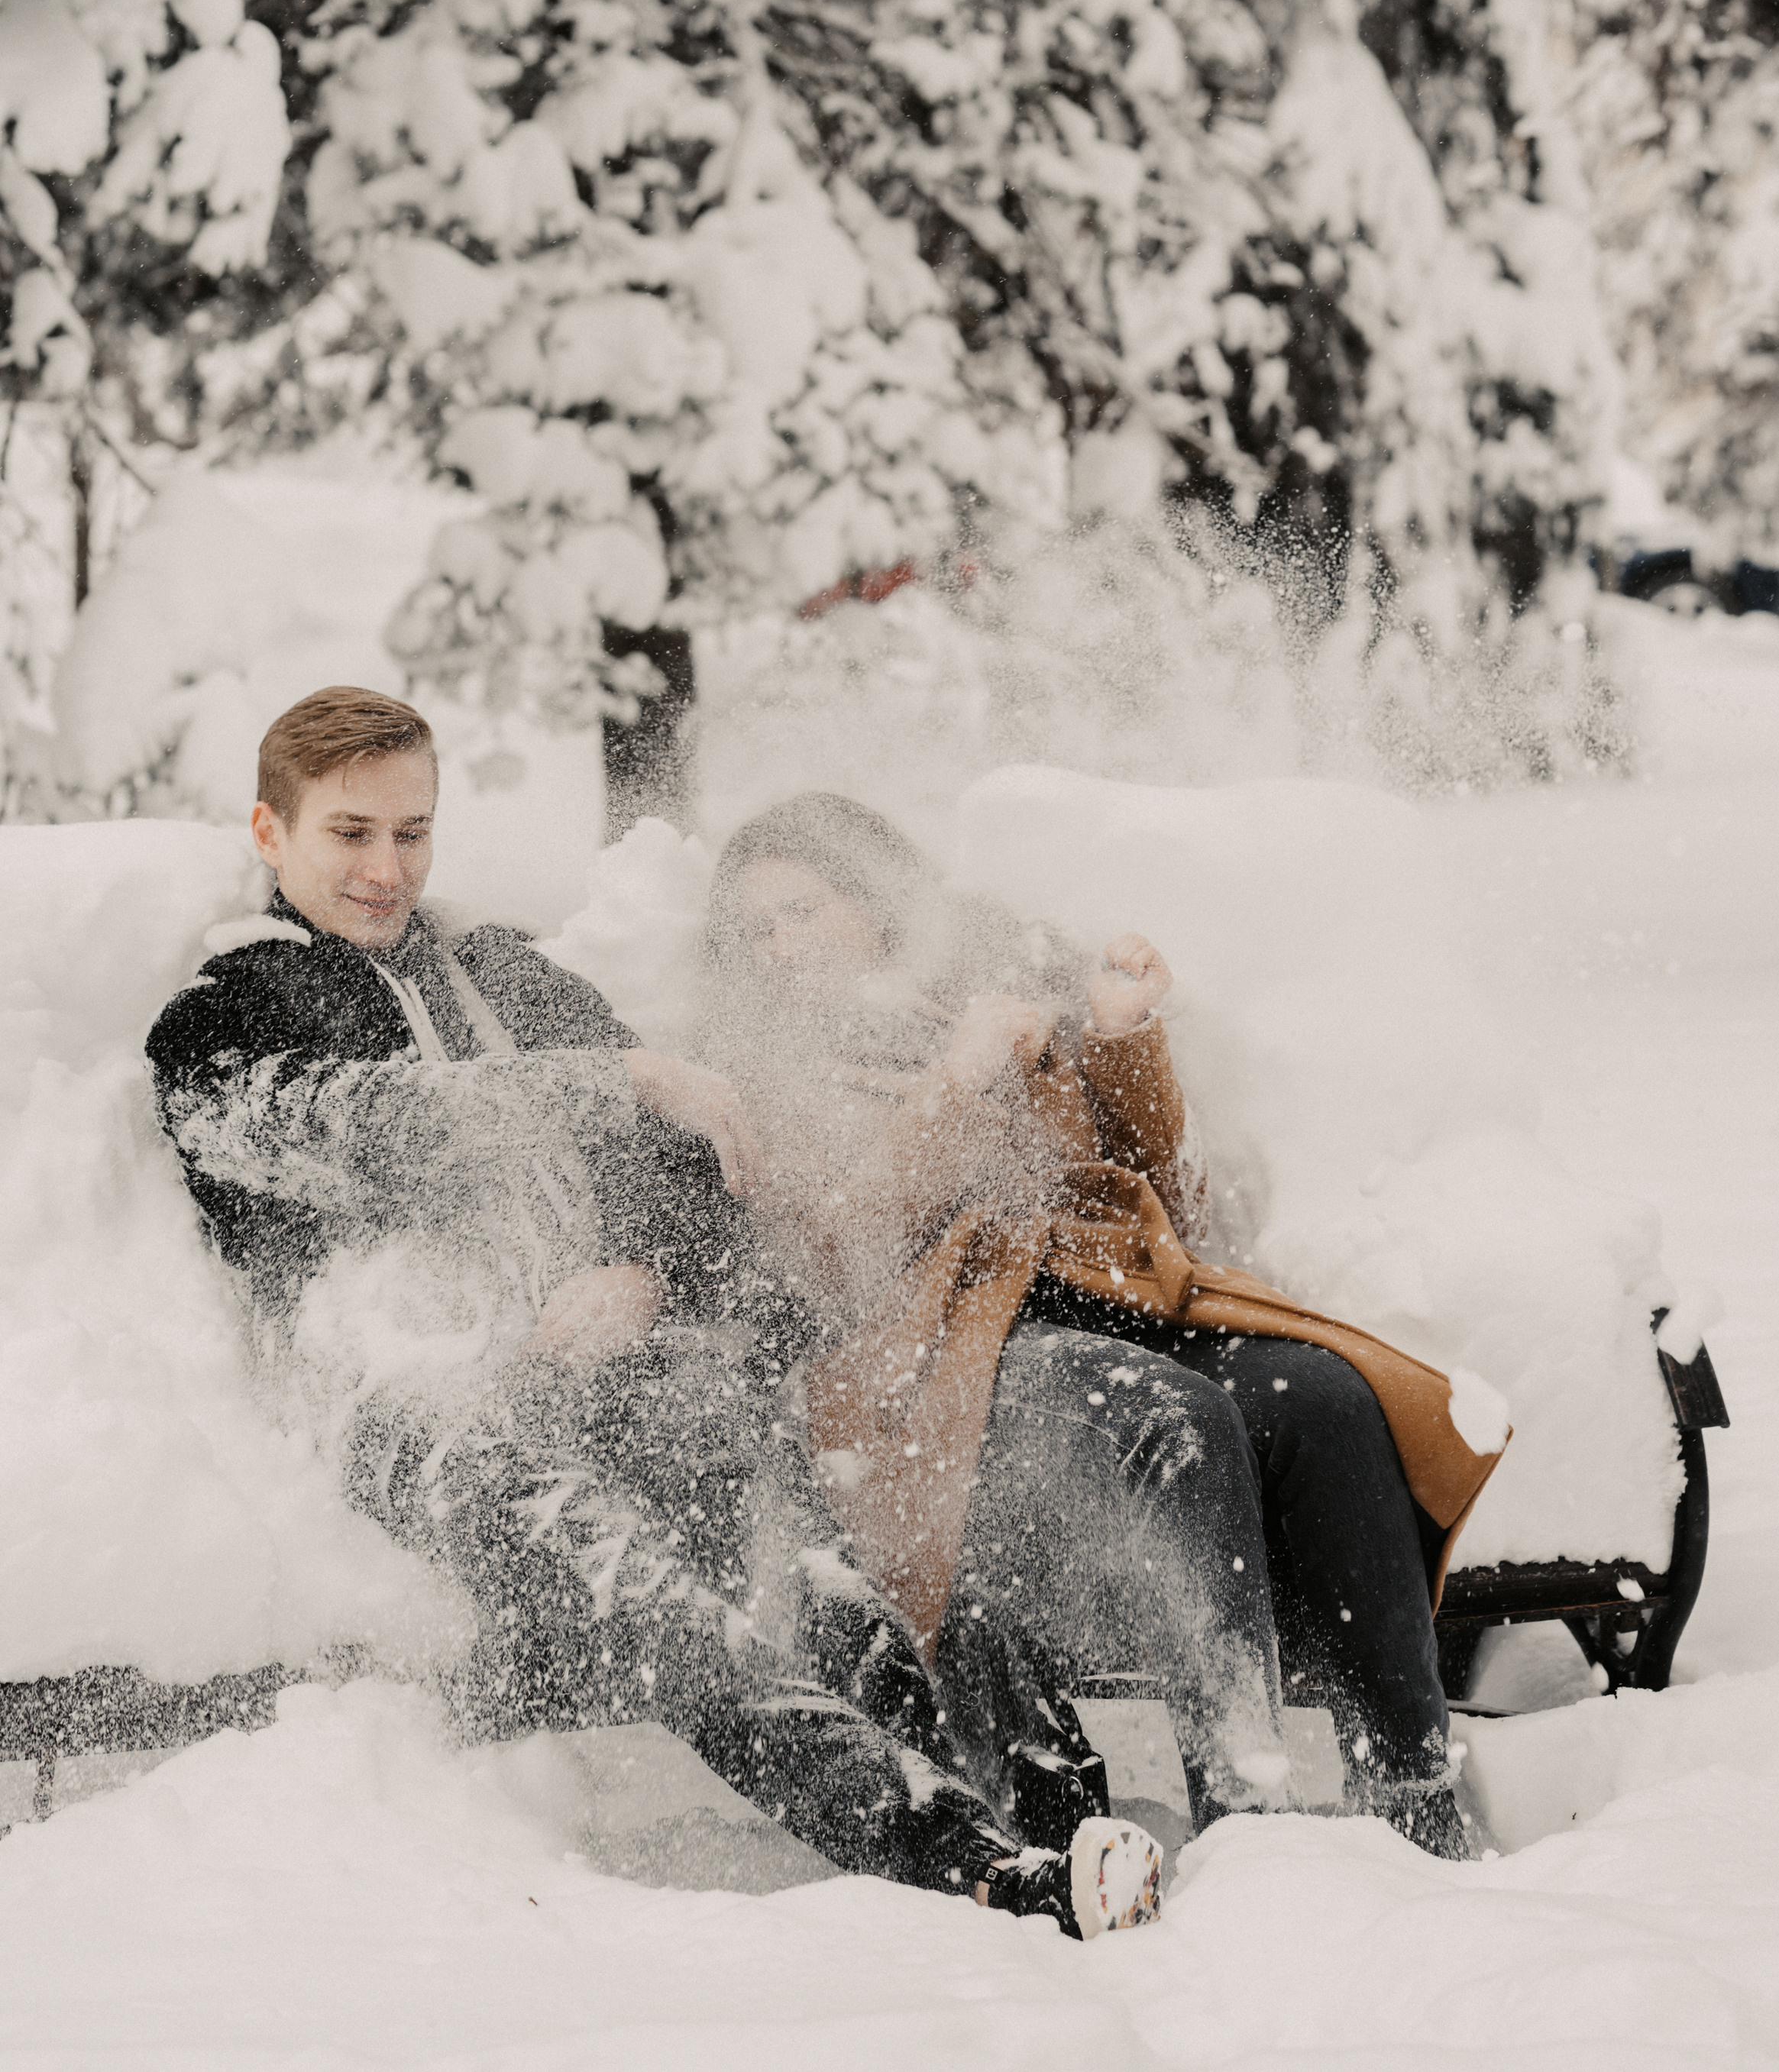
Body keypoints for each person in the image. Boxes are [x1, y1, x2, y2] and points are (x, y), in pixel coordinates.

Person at [145, 690, 1161, 1939]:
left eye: (411, 833)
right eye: (349, 834)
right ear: (269, 829)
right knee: (632, 1586)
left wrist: (640, 1270)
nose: (384, 867)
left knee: (786, 1503)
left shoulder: (501, 973)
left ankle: (1049, 1811)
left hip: (602, 1359)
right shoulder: (219, 1020)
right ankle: (970, 1865)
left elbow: (697, 1160)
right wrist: (608, 1079)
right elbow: (367, 1127)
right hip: (411, 1392)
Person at [694, 791, 1507, 1857]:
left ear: (879, 899)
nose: (782, 945)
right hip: (932, 1359)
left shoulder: (976, 1005)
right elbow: (845, 1255)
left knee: (1323, 1398)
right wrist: (957, 1083)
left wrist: (1123, 1042)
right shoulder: (755, 1077)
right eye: (757, 928)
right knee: (1175, 1418)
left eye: (806, 909)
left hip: (1101, 1299)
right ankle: (1245, 1800)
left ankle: (1410, 1787)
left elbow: (1166, 1198)